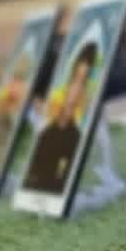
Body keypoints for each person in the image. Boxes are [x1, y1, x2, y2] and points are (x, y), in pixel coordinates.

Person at [23, 42, 96, 194]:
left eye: (83, 82)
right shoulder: (47, 131)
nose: (76, 91)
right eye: (75, 79)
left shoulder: (75, 136)